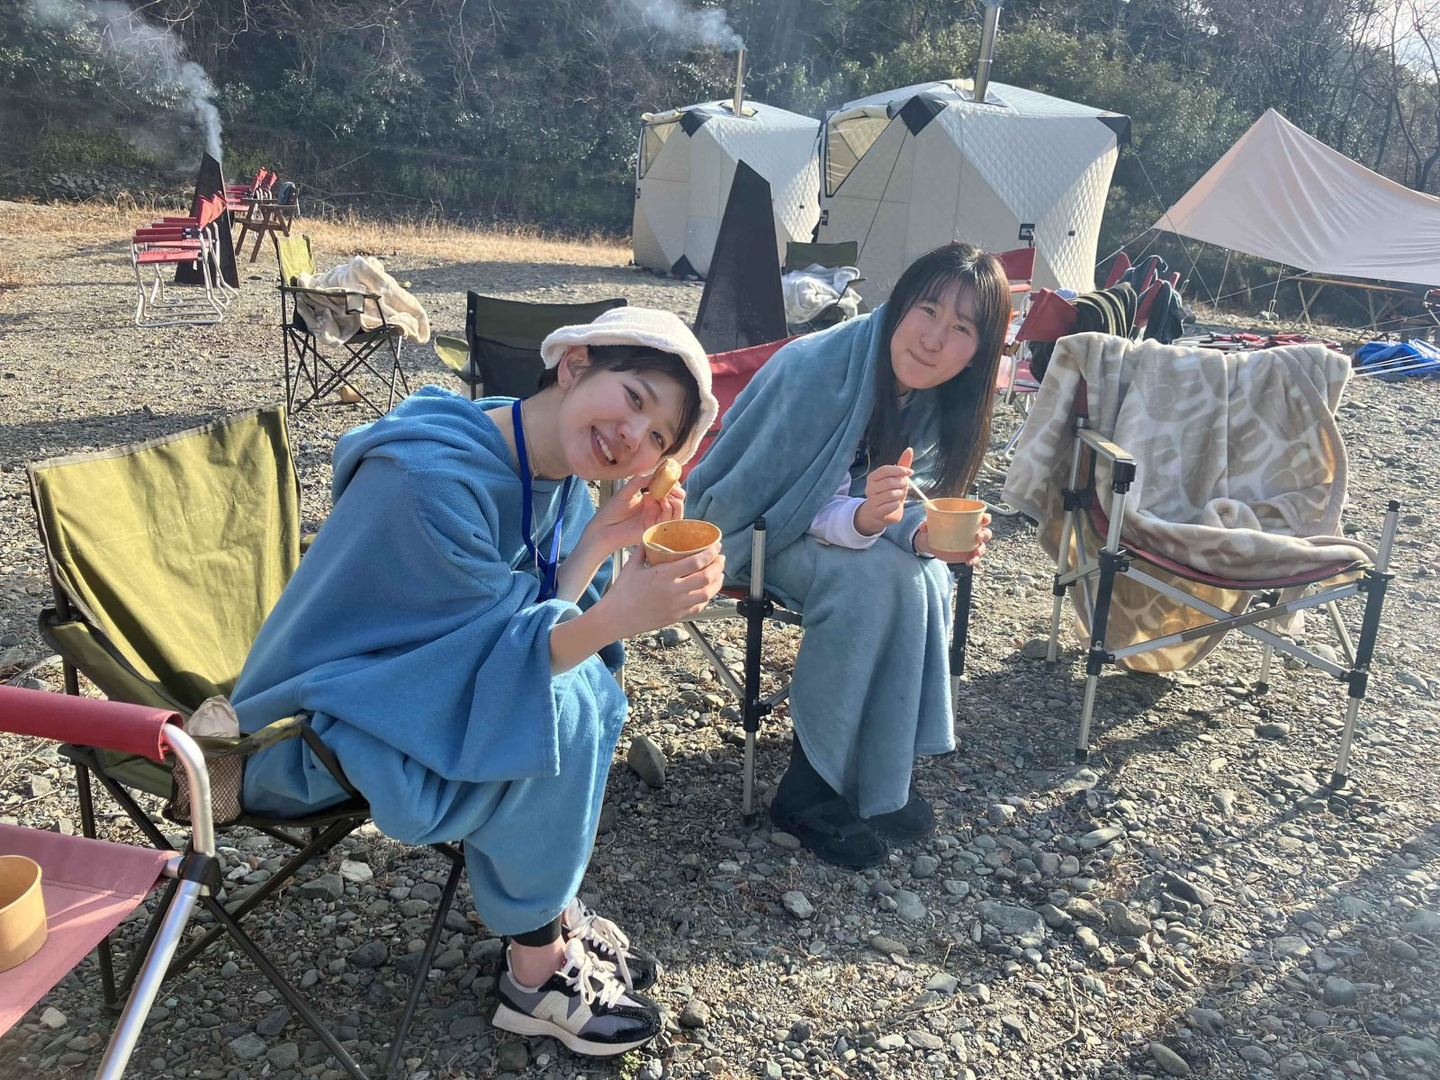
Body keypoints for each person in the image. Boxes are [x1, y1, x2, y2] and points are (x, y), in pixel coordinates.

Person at [230, 307, 723, 1057]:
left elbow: (509, 632)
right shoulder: (429, 479)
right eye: (633, 398)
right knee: (564, 700)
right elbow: (498, 663)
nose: (633, 438)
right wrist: (617, 616)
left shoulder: (553, 472)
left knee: (579, 682)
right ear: (574, 365)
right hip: (318, 725)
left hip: (412, 695)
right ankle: (537, 973)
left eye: (658, 438)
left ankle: (549, 909)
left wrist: (600, 543)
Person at [686, 243, 1006, 868]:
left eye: (962, 328)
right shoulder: (817, 369)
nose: (934, 339)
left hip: (835, 528)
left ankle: (878, 776)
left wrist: (920, 534)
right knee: (870, 584)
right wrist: (863, 521)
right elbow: (769, 496)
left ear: (980, 351)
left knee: (924, 577)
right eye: (928, 310)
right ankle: (810, 793)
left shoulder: (937, 398)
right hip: (755, 529)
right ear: (900, 304)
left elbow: (906, 499)